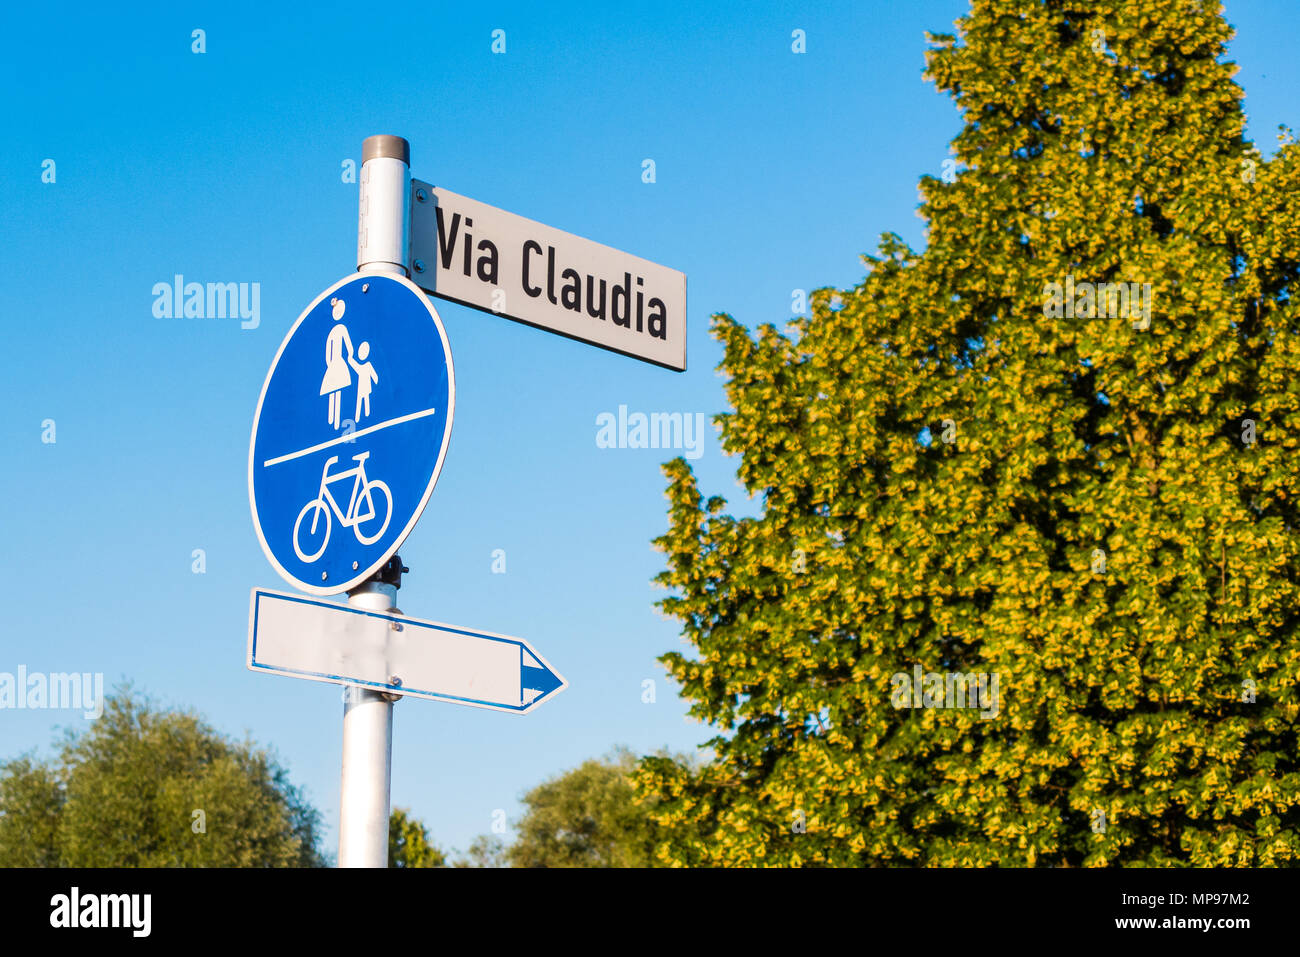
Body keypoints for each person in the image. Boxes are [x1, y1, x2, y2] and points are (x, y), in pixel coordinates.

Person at [320, 297, 353, 430]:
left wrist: (330, 364)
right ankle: (334, 423)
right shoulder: (340, 329)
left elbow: (328, 352)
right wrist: (350, 356)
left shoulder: (334, 332)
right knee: (337, 389)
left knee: (334, 390)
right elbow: (349, 346)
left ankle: (333, 421)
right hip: (338, 363)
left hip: (334, 363)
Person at [348, 341, 379, 423]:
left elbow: (374, 374)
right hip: (361, 388)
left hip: (366, 387)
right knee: (359, 402)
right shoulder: (362, 367)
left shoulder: (368, 365)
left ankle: (367, 415)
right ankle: (357, 418)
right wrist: (350, 359)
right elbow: (355, 366)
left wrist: (376, 380)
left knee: (366, 400)